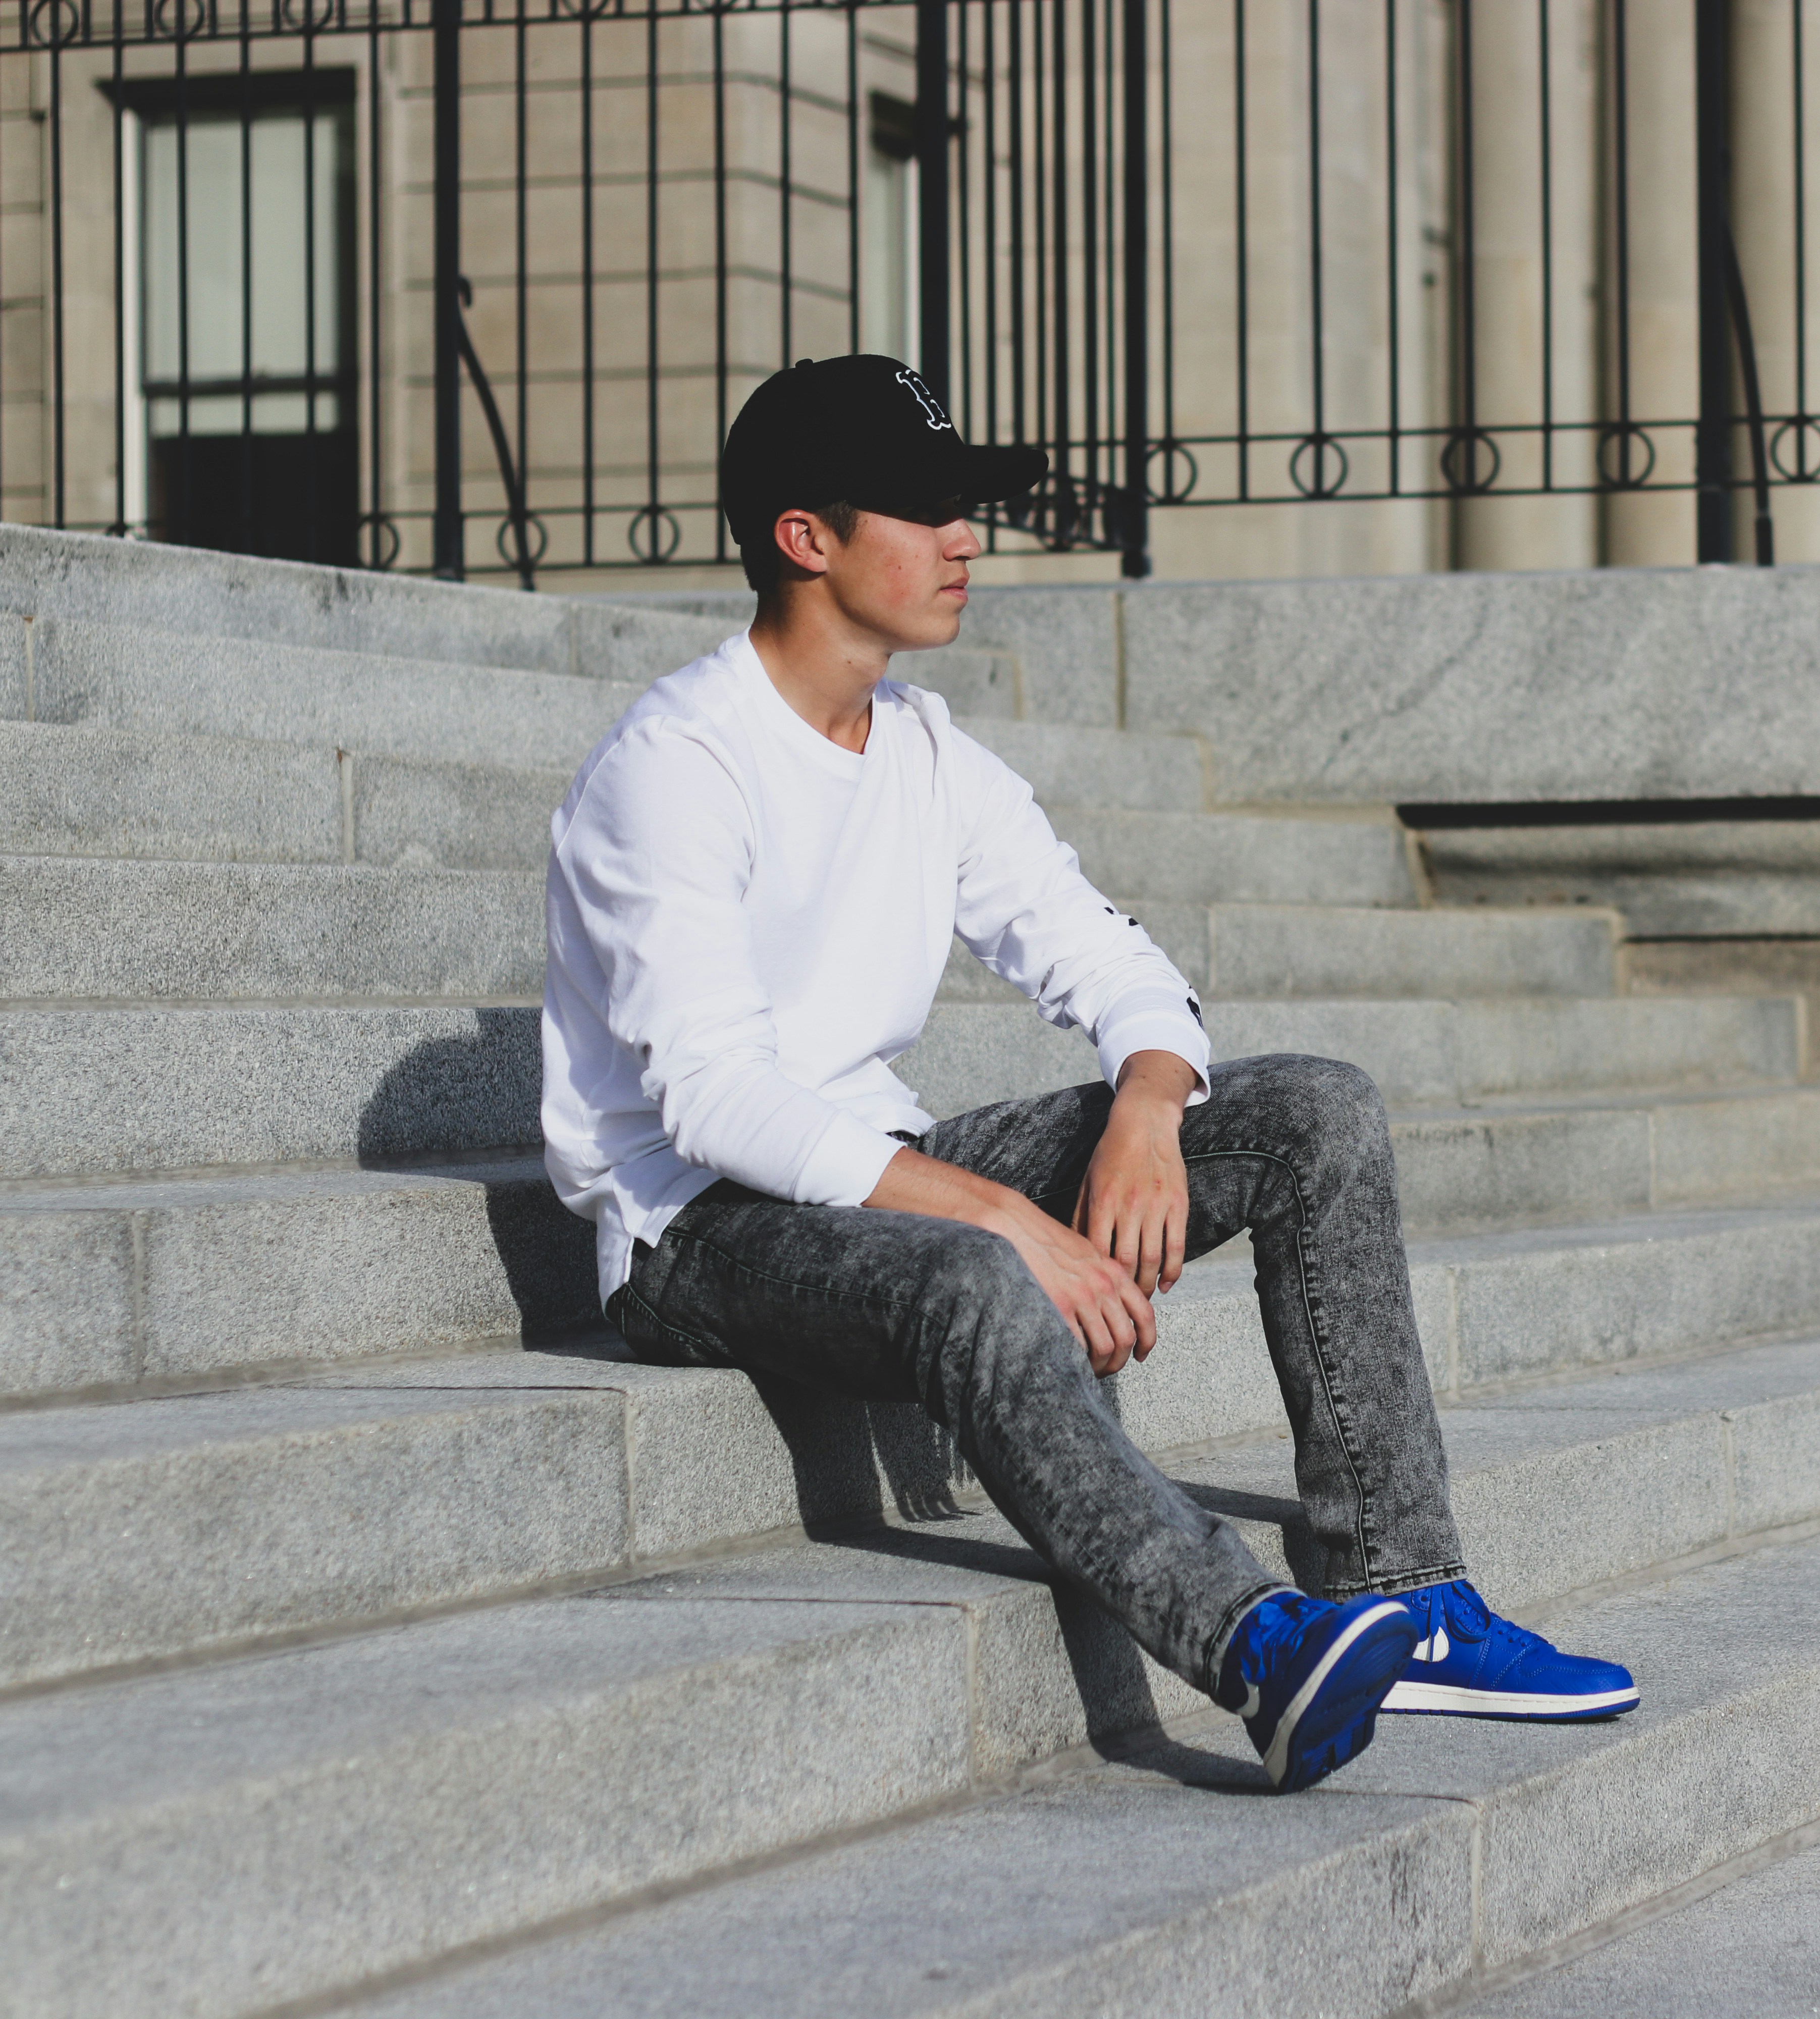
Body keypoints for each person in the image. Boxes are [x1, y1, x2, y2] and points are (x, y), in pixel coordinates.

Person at [539, 355, 1634, 1794]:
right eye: (926, 509)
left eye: (965, 507)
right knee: (971, 1273)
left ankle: (1403, 1596)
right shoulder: (676, 764)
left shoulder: (928, 755)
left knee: (1315, 1112)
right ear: (805, 537)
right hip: (697, 1231)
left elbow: (1113, 959)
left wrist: (1146, 1106)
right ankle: (1253, 1645)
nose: (964, 538)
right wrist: (1002, 1218)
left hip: (874, 1163)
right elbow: (713, 1100)